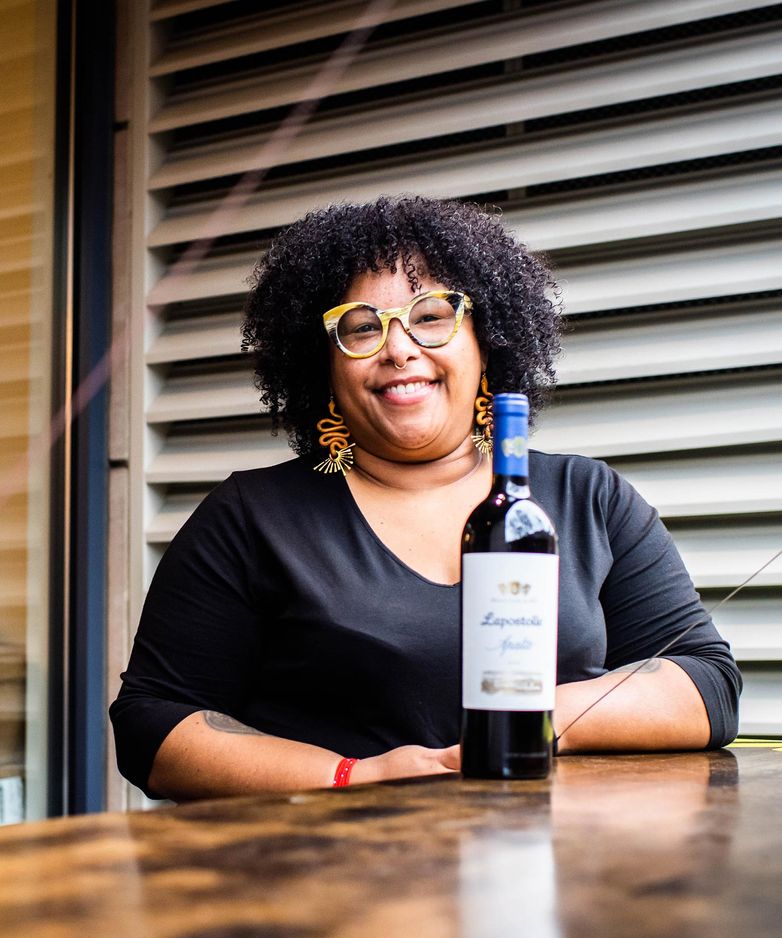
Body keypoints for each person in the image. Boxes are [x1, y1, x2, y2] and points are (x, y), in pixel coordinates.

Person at [110, 195, 741, 801]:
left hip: (554, 874)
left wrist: (521, 712)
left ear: (485, 342)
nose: (400, 348)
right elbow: (152, 724)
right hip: (333, 882)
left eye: (432, 316)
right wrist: (352, 779)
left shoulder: (586, 498)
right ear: (323, 367)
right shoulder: (252, 518)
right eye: (361, 328)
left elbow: (706, 685)